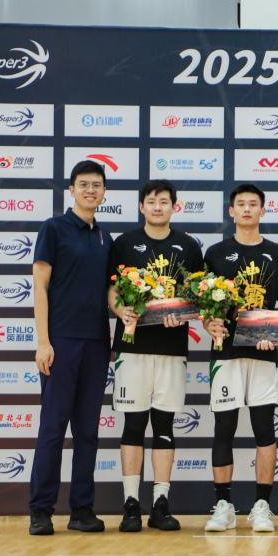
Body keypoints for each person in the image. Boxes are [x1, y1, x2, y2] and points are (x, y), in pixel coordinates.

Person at [107, 179, 203, 533]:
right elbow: (113, 289)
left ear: (174, 206)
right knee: (133, 425)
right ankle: (131, 503)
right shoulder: (124, 243)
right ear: (141, 206)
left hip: (172, 348)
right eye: (152, 201)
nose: (158, 207)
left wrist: (186, 312)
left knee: (164, 426)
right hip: (132, 347)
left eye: (164, 201)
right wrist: (120, 311)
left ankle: (161, 504)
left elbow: (197, 295)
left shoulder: (188, 246)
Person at [201, 184, 278, 532]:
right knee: (224, 428)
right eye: (240, 204)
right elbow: (205, 305)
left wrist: (276, 334)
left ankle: (261, 506)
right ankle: (223, 504)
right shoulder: (215, 253)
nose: (246, 209)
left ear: (262, 210)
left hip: (263, 355)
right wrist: (208, 323)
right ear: (231, 211)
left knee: (264, 429)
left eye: (252, 204)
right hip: (225, 353)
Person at [28, 160, 112, 536]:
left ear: (104, 192)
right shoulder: (54, 228)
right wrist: (43, 341)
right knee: (53, 428)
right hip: (60, 342)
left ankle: (82, 510)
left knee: (88, 432)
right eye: (83, 184)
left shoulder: (105, 238)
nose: (90, 190)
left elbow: (110, 293)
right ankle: (40, 510)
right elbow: (39, 286)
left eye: (96, 185)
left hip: (97, 343)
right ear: (72, 190)